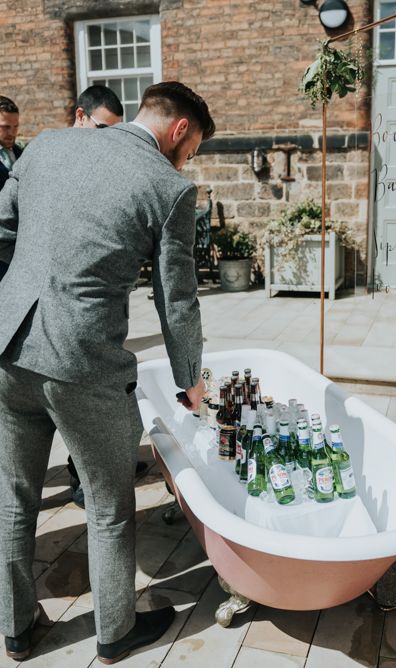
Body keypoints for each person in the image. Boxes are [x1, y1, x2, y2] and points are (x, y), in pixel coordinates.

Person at [0, 81, 214, 663]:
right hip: (82, 362)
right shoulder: (170, 187)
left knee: (15, 497)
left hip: (8, 347)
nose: (188, 158)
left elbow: (3, 231)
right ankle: (116, 631)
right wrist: (189, 378)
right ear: (178, 130)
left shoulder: (44, 145)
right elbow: (178, 300)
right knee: (108, 504)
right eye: (192, 147)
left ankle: (17, 630)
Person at [65, 84, 130, 510]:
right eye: (103, 129)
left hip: (96, 308)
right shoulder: (54, 160)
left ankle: (88, 473)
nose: (110, 142)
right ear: (80, 117)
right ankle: (86, 482)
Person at [0, 96, 22, 281]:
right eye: (5, 127)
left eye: (15, 126)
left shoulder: (22, 154)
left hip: (17, 246)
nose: (12, 133)